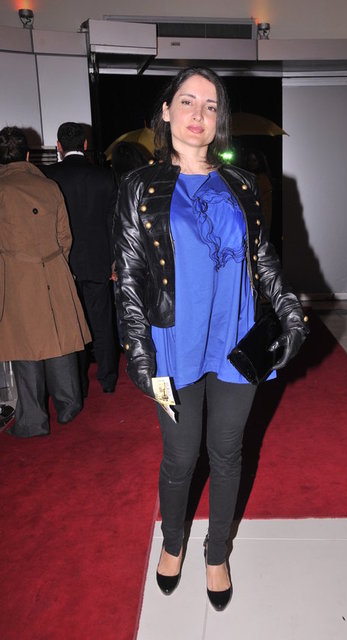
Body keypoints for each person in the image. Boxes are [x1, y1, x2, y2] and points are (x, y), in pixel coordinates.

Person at [113, 66, 309, 611]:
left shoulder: (241, 183)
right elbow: (129, 277)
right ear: (166, 111)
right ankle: (173, 542)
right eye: (187, 101)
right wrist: (137, 350)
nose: (198, 114)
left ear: (219, 118)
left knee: (226, 452)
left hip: (237, 341)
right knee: (180, 457)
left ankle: (216, 551)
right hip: (173, 344)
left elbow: (263, 258)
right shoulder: (139, 186)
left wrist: (289, 310)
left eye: (210, 105)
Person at [0, 126, 91, 437]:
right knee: (59, 338)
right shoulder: (49, 186)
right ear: (28, 155)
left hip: (15, 274)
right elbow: (65, 236)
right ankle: (69, 405)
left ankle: (33, 421)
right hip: (54, 268)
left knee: (25, 346)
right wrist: (53, 263)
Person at [43, 123, 119, 396]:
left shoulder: (47, 177)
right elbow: (114, 224)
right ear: (85, 145)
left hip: (62, 263)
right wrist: (114, 262)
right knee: (102, 323)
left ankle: (79, 384)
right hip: (98, 261)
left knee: (71, 324)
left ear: (59, 147)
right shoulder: (104, 177)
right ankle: (108, 379)